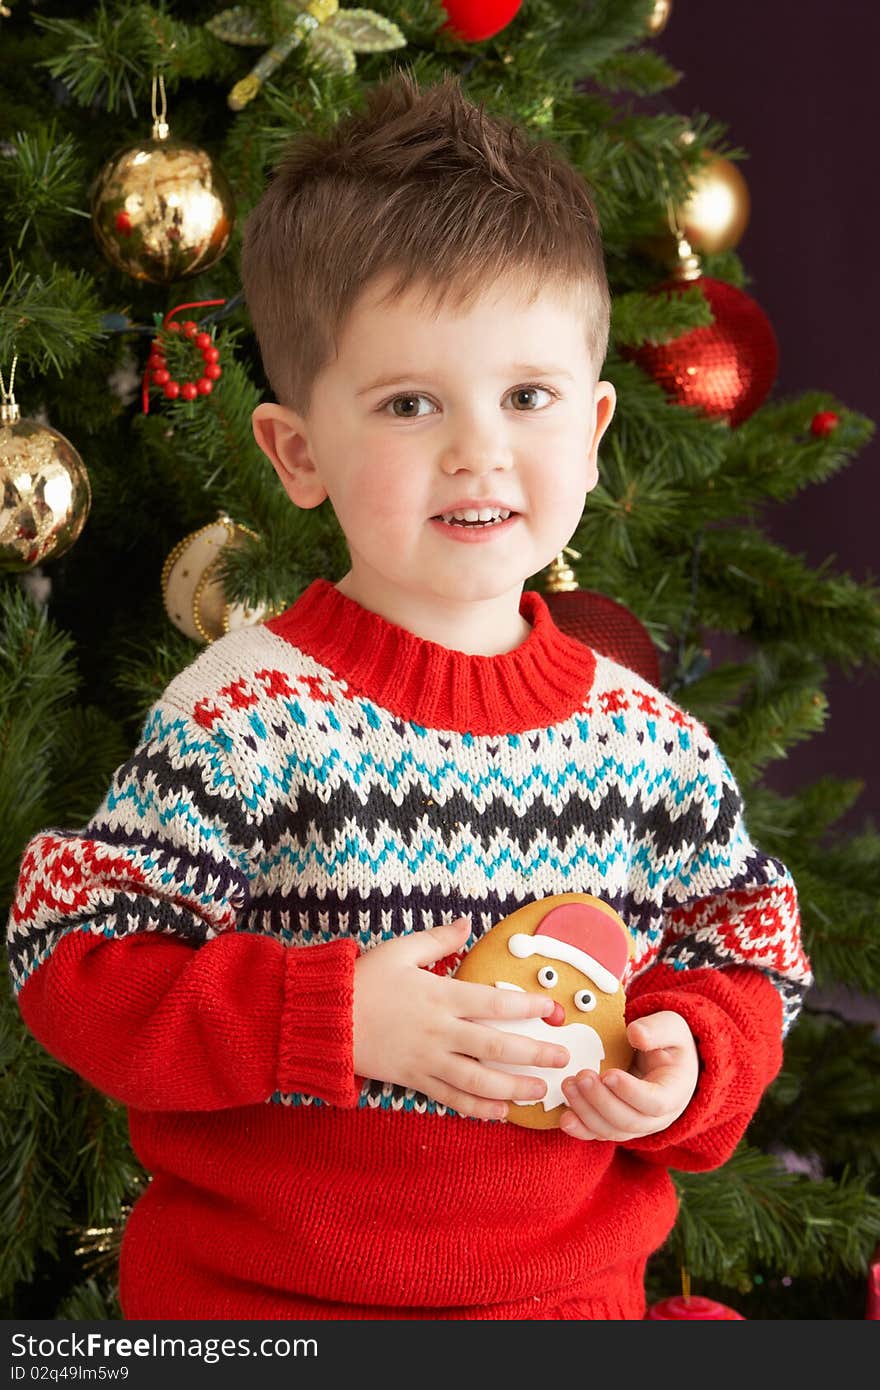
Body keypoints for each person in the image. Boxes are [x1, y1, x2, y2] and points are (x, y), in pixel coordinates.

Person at [7, 68, 811, 1322]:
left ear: (594, 428)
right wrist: (332, 1015)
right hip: (266, 1316)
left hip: (567, 1309)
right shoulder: (248, 716)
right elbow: (75, 954)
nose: (478, 450)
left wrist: (690, 1057)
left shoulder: (649, 746)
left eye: (527, 397)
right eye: (409, 403)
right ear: (299, 452)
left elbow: (746, 948)